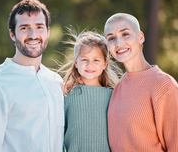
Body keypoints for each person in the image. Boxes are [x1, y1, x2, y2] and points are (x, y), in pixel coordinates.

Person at [0, 0, 64, 152]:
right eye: (24, 28)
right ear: (12, 34)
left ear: (48, 32)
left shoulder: (56, 81)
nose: (33, 34)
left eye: (39, 27)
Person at [104, 13, 178, 152]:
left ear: (140, 37)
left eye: (125, 34)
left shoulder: (164, 86)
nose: (118, 43)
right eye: (111, 38)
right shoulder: (117, 88)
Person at [60, 29, 123, 152]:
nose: (90, 65)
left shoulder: (113, 97)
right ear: (76, 63)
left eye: (96, 60)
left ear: (105, 64)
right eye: (84, 60)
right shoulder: (66, 95)